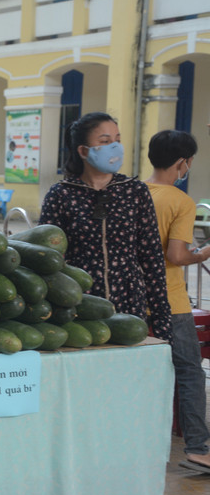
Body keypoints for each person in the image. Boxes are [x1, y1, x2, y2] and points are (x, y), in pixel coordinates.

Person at [39, 111, 172, 341]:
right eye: (105, 142)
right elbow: (47, 259)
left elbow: (151, 257)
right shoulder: (61, 194)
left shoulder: (135, 191)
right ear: (83, 151)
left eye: (117, 141)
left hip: (129, 304)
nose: (115, 147)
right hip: (80, 305)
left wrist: (162, 323)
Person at [144, 130, 210, 473]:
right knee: (189, 373)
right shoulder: (180, 201)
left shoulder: (134, 192)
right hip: (171, 301)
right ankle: (198, 448)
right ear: (183, 163)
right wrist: (206, 251)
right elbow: (178, 255)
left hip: (132, 301)